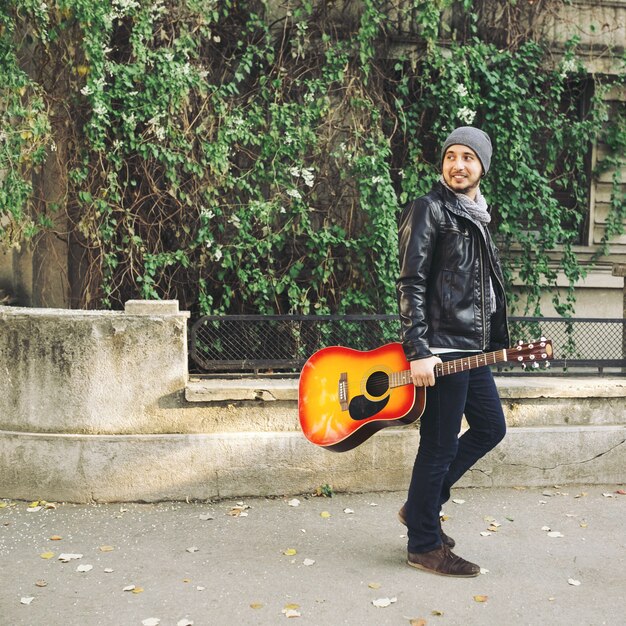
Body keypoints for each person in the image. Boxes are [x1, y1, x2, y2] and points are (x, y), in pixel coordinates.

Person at [396, 126, 509, 577]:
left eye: (468, 157)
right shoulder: (430, 209)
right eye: (451, 157)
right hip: (441, 349)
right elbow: (411, 282)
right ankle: (424, 543)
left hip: (472, 349)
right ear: (442, 164)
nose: (458, 165)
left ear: (482, 166)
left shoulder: (476, 216)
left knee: (490, 427)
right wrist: (418, 349)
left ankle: (420, 506)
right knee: (439, 446)